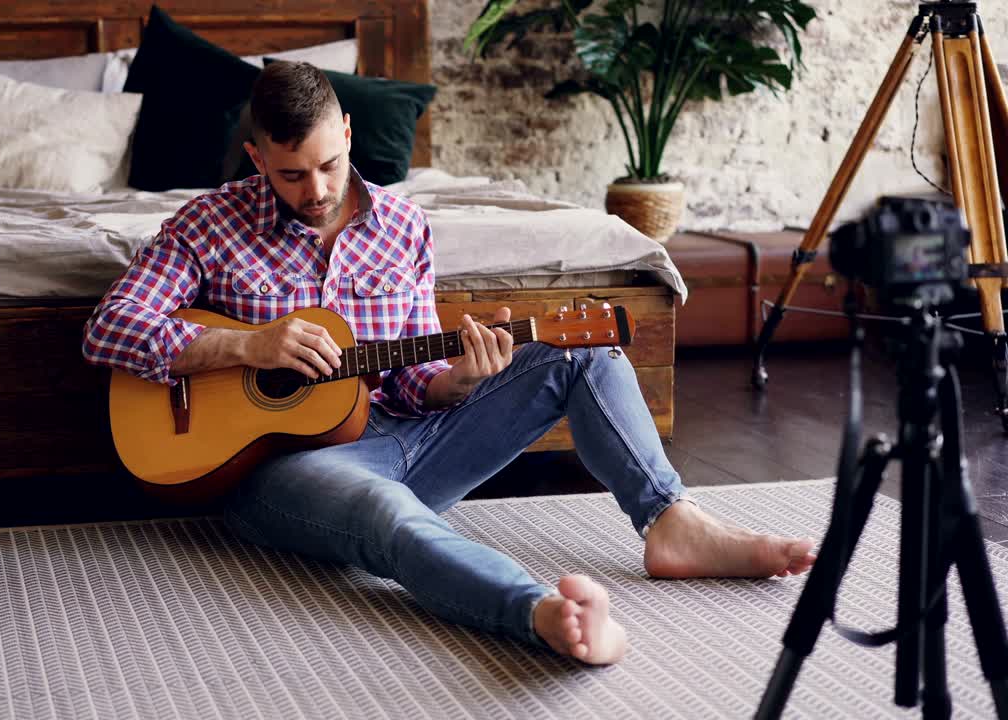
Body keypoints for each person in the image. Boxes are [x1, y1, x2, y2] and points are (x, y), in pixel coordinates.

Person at [83, 61, 816, 664]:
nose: (317, 191)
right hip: (286, 467)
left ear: (347, 133)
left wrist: (463, 378)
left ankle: (670, 522)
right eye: (291, 175)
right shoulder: (209, 224)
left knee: (585, 355)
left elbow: (412, 379)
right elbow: (109, 329)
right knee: (386, 513)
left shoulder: (403, 226)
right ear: (257, 160)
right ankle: (540, 613)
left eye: (329, 165)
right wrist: (247, 345)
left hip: (411, 434)